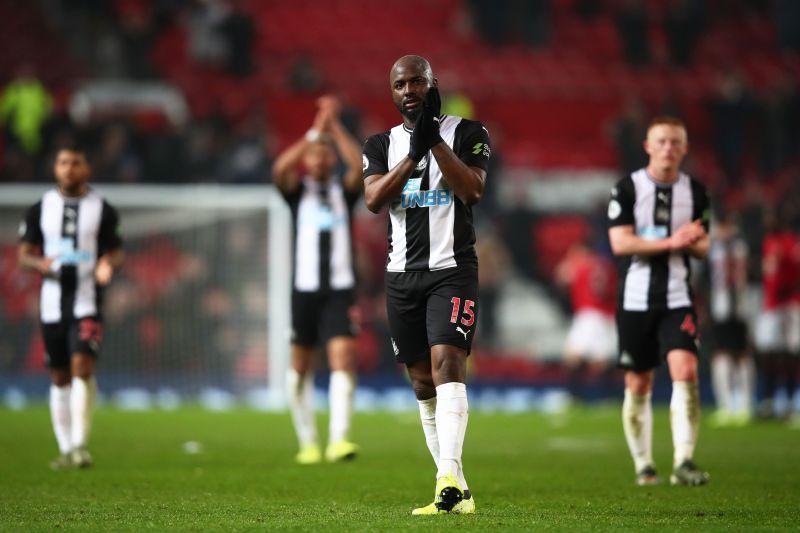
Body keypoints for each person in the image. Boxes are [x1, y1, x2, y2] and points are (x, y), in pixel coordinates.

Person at [362, 55, 490, 515]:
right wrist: (414, 152)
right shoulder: (380, 145)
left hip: (453, 268)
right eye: (401, 84)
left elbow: (471, 190)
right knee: (421, 381)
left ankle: (447, 479)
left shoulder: (470, 133)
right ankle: (456, 490)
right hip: (401, 275)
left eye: (418, 80)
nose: (409, 89)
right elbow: (375, 199)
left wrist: (432, 138)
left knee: (447, 362)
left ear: (433, 83)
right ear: (392, 92)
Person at [607, 116, 711, 487]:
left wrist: (693, 241)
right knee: (639, 382)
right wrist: (673, 241)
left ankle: (684, 460)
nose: (669, 148)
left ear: (684, 148)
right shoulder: (628, 189)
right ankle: (644, 464)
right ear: (648, 146)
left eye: (675, 142)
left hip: (678, 298)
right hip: (635, 299)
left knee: (686, 371)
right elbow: (621, 243)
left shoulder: (697, 194)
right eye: (662, 141)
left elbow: (702, 246)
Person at [17, 144, 124, 469]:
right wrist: (39, 263)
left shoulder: (103, 209)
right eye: (63, 162)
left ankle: (80, 444)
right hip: (51, 305)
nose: (69, 169)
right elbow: (23, 255)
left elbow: (116, 250)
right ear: (55, 167)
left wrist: (108, 264)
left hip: (87, 301)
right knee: (60, 376)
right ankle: (66, 448)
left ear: (87, 169)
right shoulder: (40, 208)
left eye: (75, 163)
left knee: (83, 367)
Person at [272, 95, 362, 464]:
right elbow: (280, 168)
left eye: (326, 154)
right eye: (315, 155)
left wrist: (334, 127)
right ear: (307, 161)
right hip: (304, 291)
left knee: (343, 358)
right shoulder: (297, 194)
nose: (321, 159)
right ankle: (308, 441)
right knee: (300, 368)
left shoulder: (344, 191)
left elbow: (359, 165)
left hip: (340, 289)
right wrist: (314, 132)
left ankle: (339, 440)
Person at [554, 239, 618, 403]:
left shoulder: (580, 266)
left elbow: (561, 276)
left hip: (588, 315)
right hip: (607, 317)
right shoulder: (605, 265)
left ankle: (574, 395)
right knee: (601, 360)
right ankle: (606, 397)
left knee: (574, 357)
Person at [707, 208, 755, 426]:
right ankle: (735, 405)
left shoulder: (721, 248)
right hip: (732, 307)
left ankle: (735, 406)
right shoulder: (741, 245)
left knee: (731, 355)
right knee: (731, 355)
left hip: (729, 307)